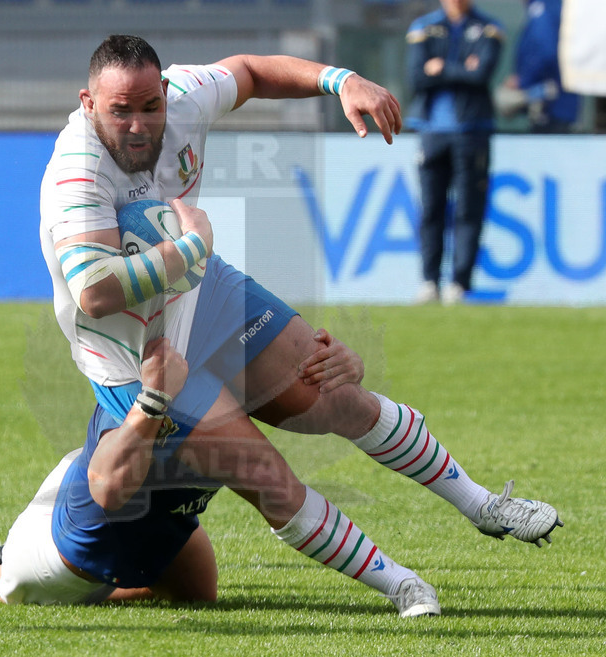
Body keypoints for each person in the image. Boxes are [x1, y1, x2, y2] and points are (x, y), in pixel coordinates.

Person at [31, 34, 563, 616]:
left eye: (149, 106)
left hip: (203, 294)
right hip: (140, 356)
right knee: (268, 476)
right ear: (88, 103)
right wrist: (192, 247)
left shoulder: (185, 95)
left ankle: (483, 504)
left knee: (336, 395)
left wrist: (342, 80)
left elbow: (251, 70)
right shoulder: (77, 171)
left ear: (165, 91)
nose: (138, 125)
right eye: (119, 111)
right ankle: (402, 584)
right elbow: (96, 291)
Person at [0, 334, 442, 614]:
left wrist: (340, 365)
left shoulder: (229, 343)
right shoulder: (155, 371)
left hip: (161, 512)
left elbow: (314, 391)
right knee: (1, 585)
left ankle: (82, 559)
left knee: (197, 598)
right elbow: (110, 485)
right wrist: (151, 403)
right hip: (89, 521)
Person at [404, 0, 504, 304]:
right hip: (432, 131)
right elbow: (416, 77)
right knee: (431, 208)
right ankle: (429, 281)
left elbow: (481, 75)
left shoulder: (489, 28)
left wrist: (441, 68)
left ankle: (460, 283)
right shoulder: (424, 27)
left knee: (468, 209)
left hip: (472, 131)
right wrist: (463, 68)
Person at [496, 0, 580, 134]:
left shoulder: (543, 10)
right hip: (557, 104)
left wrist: (523, 80)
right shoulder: (548, 8)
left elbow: (546, 53)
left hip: (552, 105)